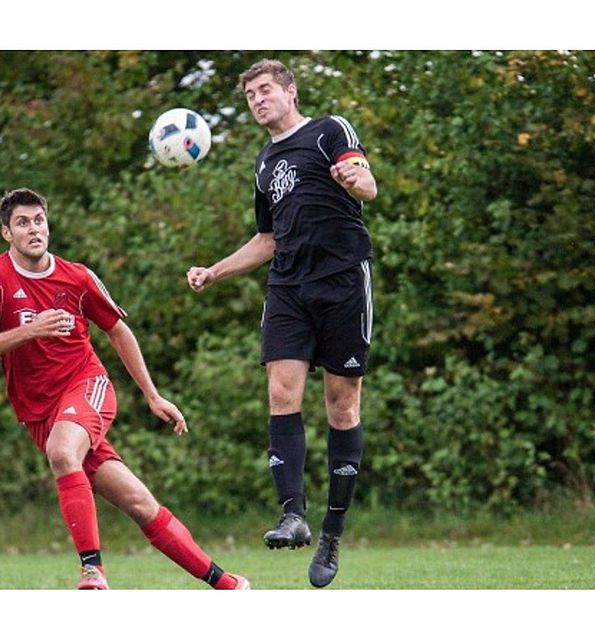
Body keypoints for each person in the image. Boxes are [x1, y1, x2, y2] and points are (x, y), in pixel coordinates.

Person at [0, 188, 249, 590]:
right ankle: (229, 585)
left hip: (87, 385)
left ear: (48, 223)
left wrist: (152, 394)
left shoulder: (77, 277)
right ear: (6, 233)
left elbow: (118, 330)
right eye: (22, 223)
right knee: (139, 503)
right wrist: (31, 330)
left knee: (62, 452)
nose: (33, 229)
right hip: (39, 412)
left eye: (39, 220)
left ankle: (92, 571)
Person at [186, 59, 378, 588]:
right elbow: (266, 239)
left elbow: (367, 184)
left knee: (342, 404)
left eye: (265, 89)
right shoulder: (265, 162)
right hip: (289, 287)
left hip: (342, 282)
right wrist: (215, 270)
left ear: (290, 92)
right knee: (280, 390)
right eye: (250, 94)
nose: (257, 99)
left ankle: (332, 532)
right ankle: (292, 513)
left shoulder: (328, 130)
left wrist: (357, 179)